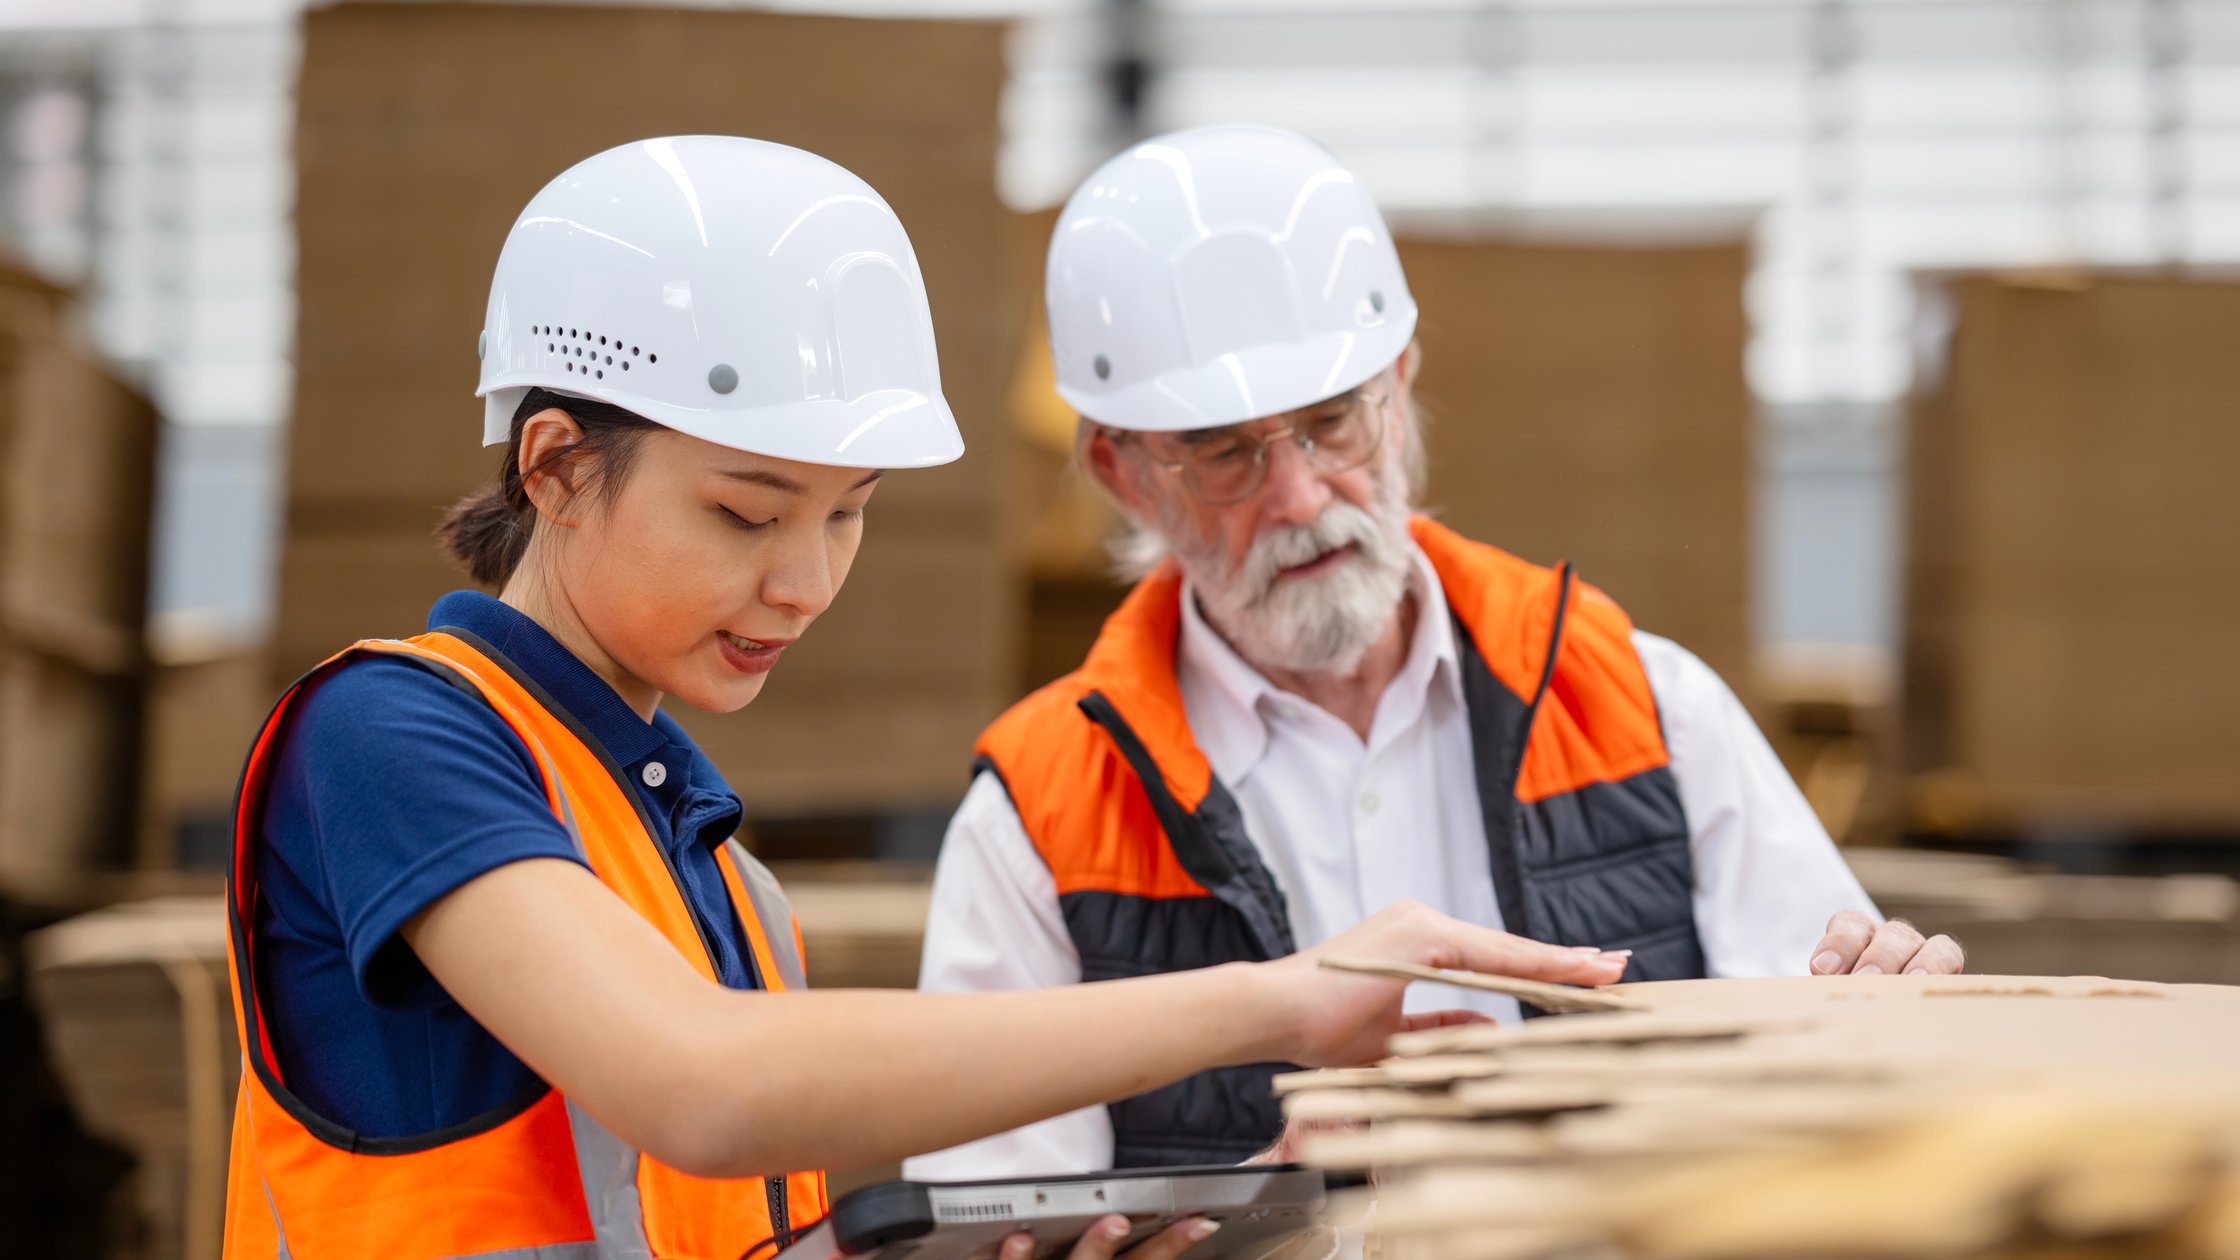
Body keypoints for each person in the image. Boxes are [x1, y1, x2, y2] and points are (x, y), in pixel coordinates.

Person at [220, 136, 1622, 1260]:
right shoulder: (390, 735)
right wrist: (1280, 1003)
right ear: (554, 467)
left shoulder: (710, 872)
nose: (806, 585)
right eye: (747, 513)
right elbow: (704, 1089)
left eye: (847, 516)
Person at [906, 124, 1965, 1180]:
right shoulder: (1037, 821)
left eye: (1329, 423)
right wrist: (1273, 1195)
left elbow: (1841, 1086)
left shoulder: (1648, 706)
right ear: (1122, 471)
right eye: (1224, 453)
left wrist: (1883, 1015)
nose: (1299, 496)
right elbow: (996, 1224)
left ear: (1398, 387)